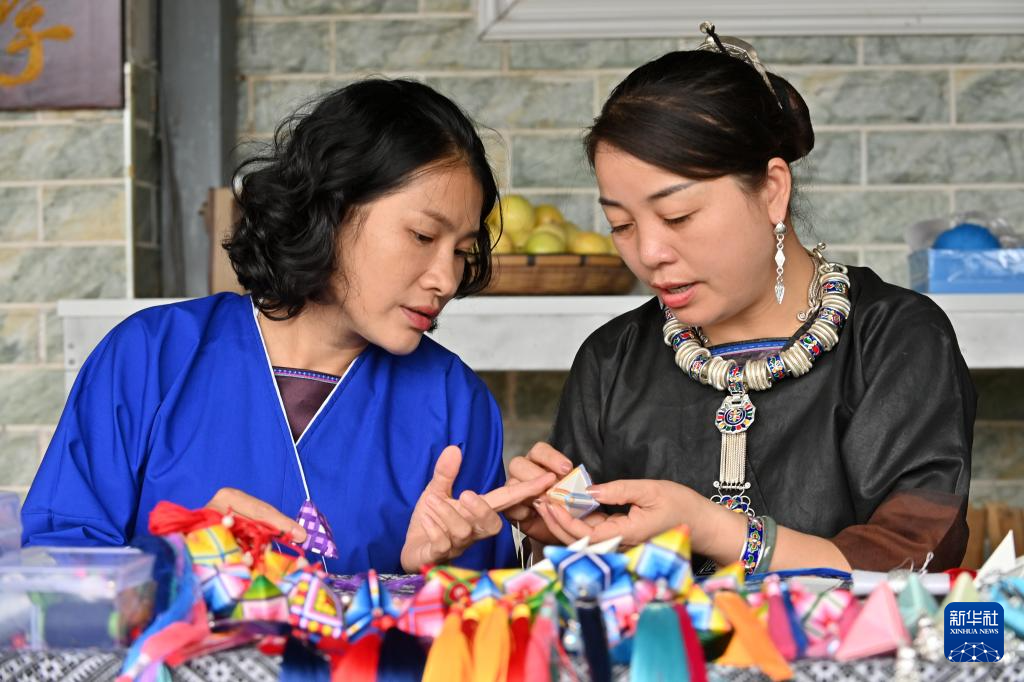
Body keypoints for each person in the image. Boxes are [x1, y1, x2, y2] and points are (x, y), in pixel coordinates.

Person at [22, 79, 554, 574]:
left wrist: (425, 577)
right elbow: (56, 576)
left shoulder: (455, 402)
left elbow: (488, 623)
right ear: (331, 209)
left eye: (461, 251)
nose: (446, 278)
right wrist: (184, 555)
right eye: (422, 236)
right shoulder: (147, 357)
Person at [504, 26, 974, 574]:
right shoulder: (612, 359)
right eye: (622, 225)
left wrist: (711, 529)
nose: (649, 253)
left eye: (678, 216)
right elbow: (582, 580)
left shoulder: (896, 338)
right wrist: (559, 536)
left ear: (772, 190)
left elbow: (915, 558)